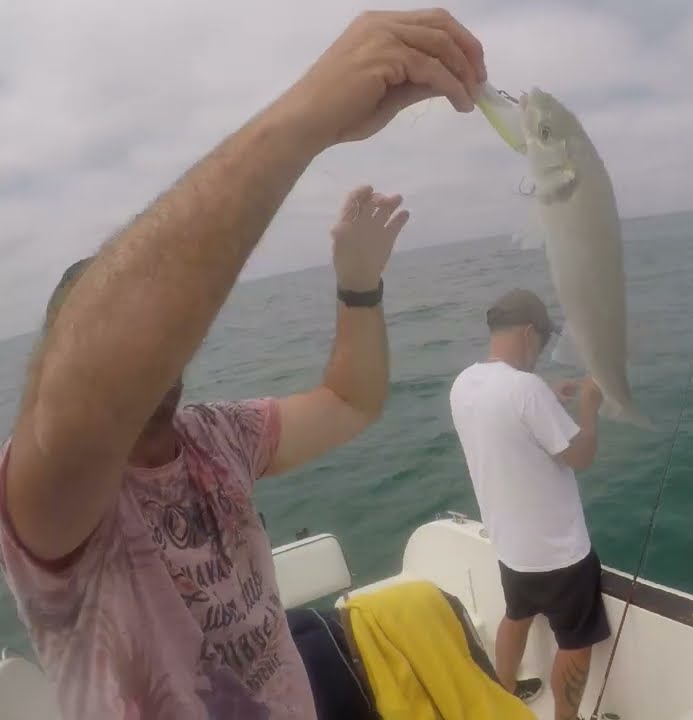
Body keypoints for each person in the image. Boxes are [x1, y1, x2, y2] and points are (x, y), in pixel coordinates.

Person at [0, 9, 488, 718]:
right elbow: (88, 395)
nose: (157, 351)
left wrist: (358, 285)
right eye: (137, 336)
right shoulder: (54, 501)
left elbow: (350, 402)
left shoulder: (217, 437)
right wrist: (307, 117)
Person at [448, 289, 612, 720]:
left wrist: (549, 400)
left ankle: (502, 696)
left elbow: (509, 424)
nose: (540, 351)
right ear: (527, 333)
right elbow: (580, 456)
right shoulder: (526, 389)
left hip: (512, 549)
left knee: (516, 616)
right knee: (575, 642)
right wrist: (590, 408)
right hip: (560, 555)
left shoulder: (465, 383)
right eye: (541, 340)